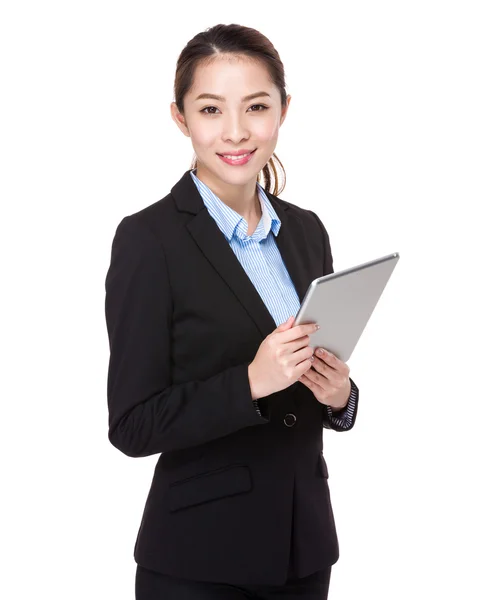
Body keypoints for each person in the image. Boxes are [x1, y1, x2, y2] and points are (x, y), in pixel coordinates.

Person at [105, 22, 359, 600]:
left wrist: (339, 396)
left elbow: (312, 394)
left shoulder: (305, 230)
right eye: (212, 109)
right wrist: (250, 382)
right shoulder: (150, 241)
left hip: (304, 552)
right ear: (181, 118)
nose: (237, 132)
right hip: (200, 561)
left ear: (284, 110)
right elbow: (132, 424)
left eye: (257, 107)